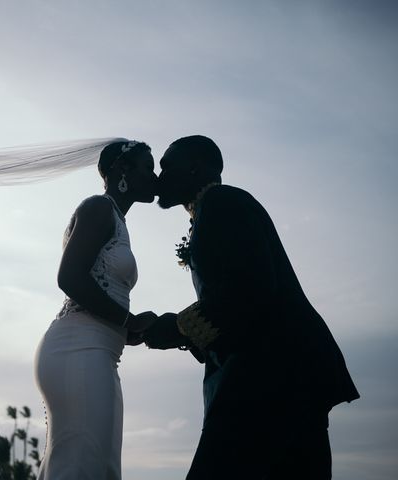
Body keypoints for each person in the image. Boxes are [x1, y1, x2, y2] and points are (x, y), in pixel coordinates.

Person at [143, 135, 359, 479]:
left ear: (195, 167)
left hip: (271, 375)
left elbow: (252, 286)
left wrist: (177, 327)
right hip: (281, 373)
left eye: (168, 166)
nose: (160, 175)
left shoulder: (222, 201)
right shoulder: (212, 208)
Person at [34, 140, 158, 479]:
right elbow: (69, 277)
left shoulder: (117, 219)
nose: (155, 176)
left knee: (99, 465)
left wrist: (127, 329)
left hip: (101, 352)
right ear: (123, 170)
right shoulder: (98, 209)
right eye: (148, 167)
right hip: (77, 347)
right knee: (80, 463)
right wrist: (127, 320)